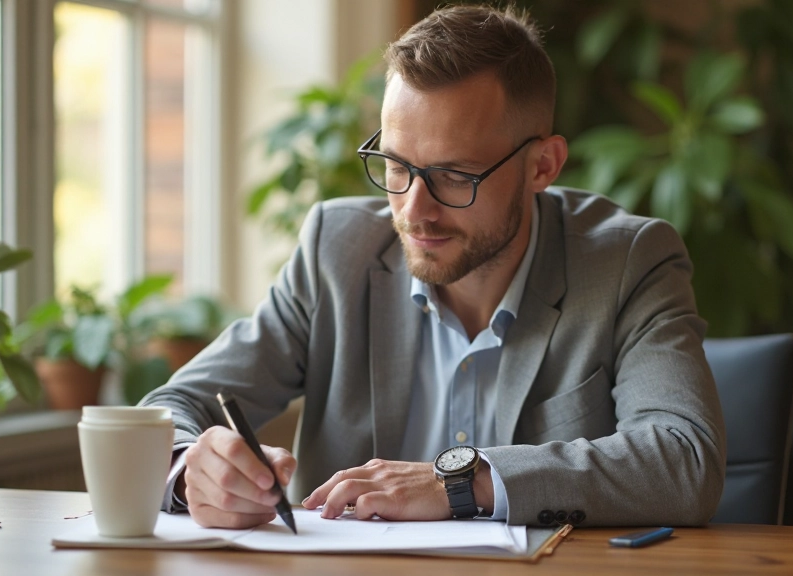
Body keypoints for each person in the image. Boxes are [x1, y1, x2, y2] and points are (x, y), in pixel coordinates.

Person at [140, 4, 726, 529]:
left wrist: (460, 482)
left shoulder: (627, 261)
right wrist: (193, 470)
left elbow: (684, 461)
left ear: (542, 166)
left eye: (453, 175)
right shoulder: (336, 251)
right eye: (396, 166)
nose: (414, 211)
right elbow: (168, 410)